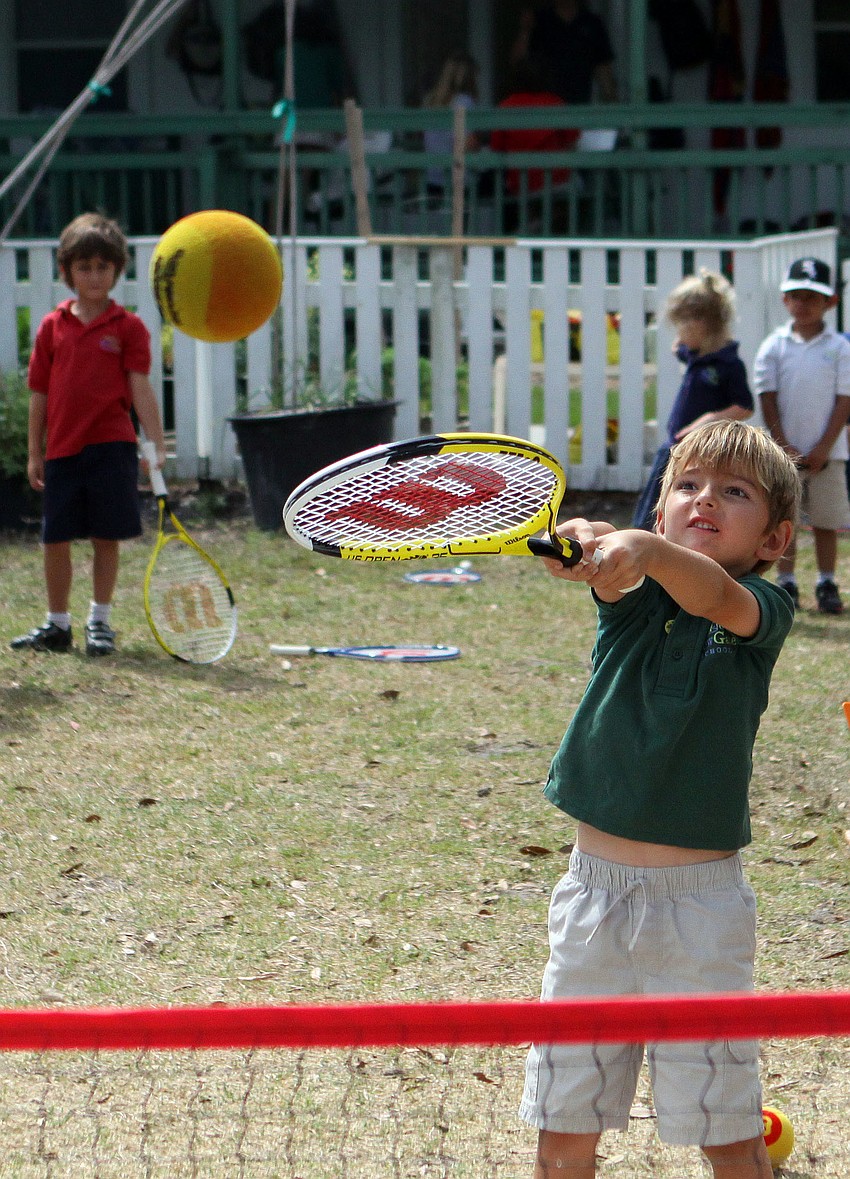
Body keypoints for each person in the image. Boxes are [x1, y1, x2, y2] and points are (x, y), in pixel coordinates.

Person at [521, 420, 801, 1179]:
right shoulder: (634, 599)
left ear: (774, 539)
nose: (704, 499)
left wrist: (643, 547)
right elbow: (615, 575)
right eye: (688, 485)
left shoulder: (761, 610)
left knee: (727, 1132)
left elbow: (710, 591)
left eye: (733, 492)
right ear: (660, 506)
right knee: (563, 1129)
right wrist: (587, 543)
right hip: (593, 900)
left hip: (701, 913)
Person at [10, 212, 166, 657]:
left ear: (117, 270)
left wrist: (155, 443)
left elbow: (140, 387)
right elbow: (39, 392)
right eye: (84, 267)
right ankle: (57, 625)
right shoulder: (52, 327)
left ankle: (100, 622)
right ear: (67, 272)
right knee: (54, 538)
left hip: (112, 449)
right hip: (62, 449)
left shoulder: (128, 328)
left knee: (105, 536)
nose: (94, 276)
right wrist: (34, 452)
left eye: (103, 267)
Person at [754, 256, 850, 614]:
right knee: (785, 521)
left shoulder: (840, 347)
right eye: (796, 296)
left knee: (826, 520)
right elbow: (768, 396)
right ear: (785, 300)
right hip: (784, 455)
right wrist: (782, 445)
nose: (803, 304)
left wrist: (824, 447)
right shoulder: (774, 346)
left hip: (829, 454)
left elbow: (844, 399)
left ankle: (826, 581)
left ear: (830, 302)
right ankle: (787, 582)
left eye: (812, 297)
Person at [632, 269, 754, 532]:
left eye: (683, 322)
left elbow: (744, 406)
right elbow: (679, 348)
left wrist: (708, 420)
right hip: (675, 447)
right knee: (651, 515)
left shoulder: (728, 363)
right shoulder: (696, 356)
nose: (678, 330)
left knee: (680, 516)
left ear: (705, 323)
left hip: (700, 453)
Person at [490, 54, 580, 201]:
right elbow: (572, 144)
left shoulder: (506, 107)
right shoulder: (556, 103)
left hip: (522, 185)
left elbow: (497, 149)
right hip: (557, 181)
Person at [510, 1, 617, 106]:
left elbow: (602, 67)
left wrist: (613, 103)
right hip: (545, 106)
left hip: (579, 105)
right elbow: (518, 63)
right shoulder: (540, 20)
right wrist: (525, 31)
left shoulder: (592, 23)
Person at [422, 51, 480, 200]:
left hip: (433, 180)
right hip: (457, 182)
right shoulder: (464, 101)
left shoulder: (431, 100)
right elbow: (467, 144)